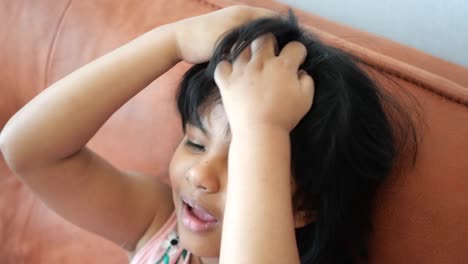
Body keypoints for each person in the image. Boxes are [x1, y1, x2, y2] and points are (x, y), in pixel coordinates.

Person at [0, 5, 416, 264]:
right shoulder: (160, 229)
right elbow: (30, 149)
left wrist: (263, 127)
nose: (200, 175)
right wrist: (172, 41)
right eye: (195, 142)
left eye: (243, 160)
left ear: (305, 205)